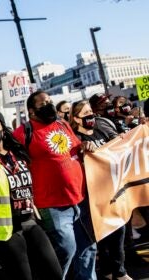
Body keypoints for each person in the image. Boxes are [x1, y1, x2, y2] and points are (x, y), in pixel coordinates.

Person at [0, 108, 62, 280]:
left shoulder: (16, 153)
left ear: (3, 128)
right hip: (6, 230)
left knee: (53, 272)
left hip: (29, 221)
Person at [13, 90, 97, 280]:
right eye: (43, 104)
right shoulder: (23, 133)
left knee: (88, 248)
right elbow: (17, 168)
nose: (49, 105)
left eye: (50, 101)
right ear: (31, 111)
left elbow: (75, 148)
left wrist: (85, 146)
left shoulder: (62, 124)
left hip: (80, 198)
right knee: (66, 250)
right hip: (52, 205)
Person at [70, 100, 132, 280]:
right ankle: (108, 271)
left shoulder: (101, 130)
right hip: (92, 194)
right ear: (76, 118)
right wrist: (83, 150)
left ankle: (119, 271)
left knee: (118, 229)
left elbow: (120, 146)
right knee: (103, 234)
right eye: (85, 114)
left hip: (112, 188)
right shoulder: (75, 138)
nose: (91, 116)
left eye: (91, 111)